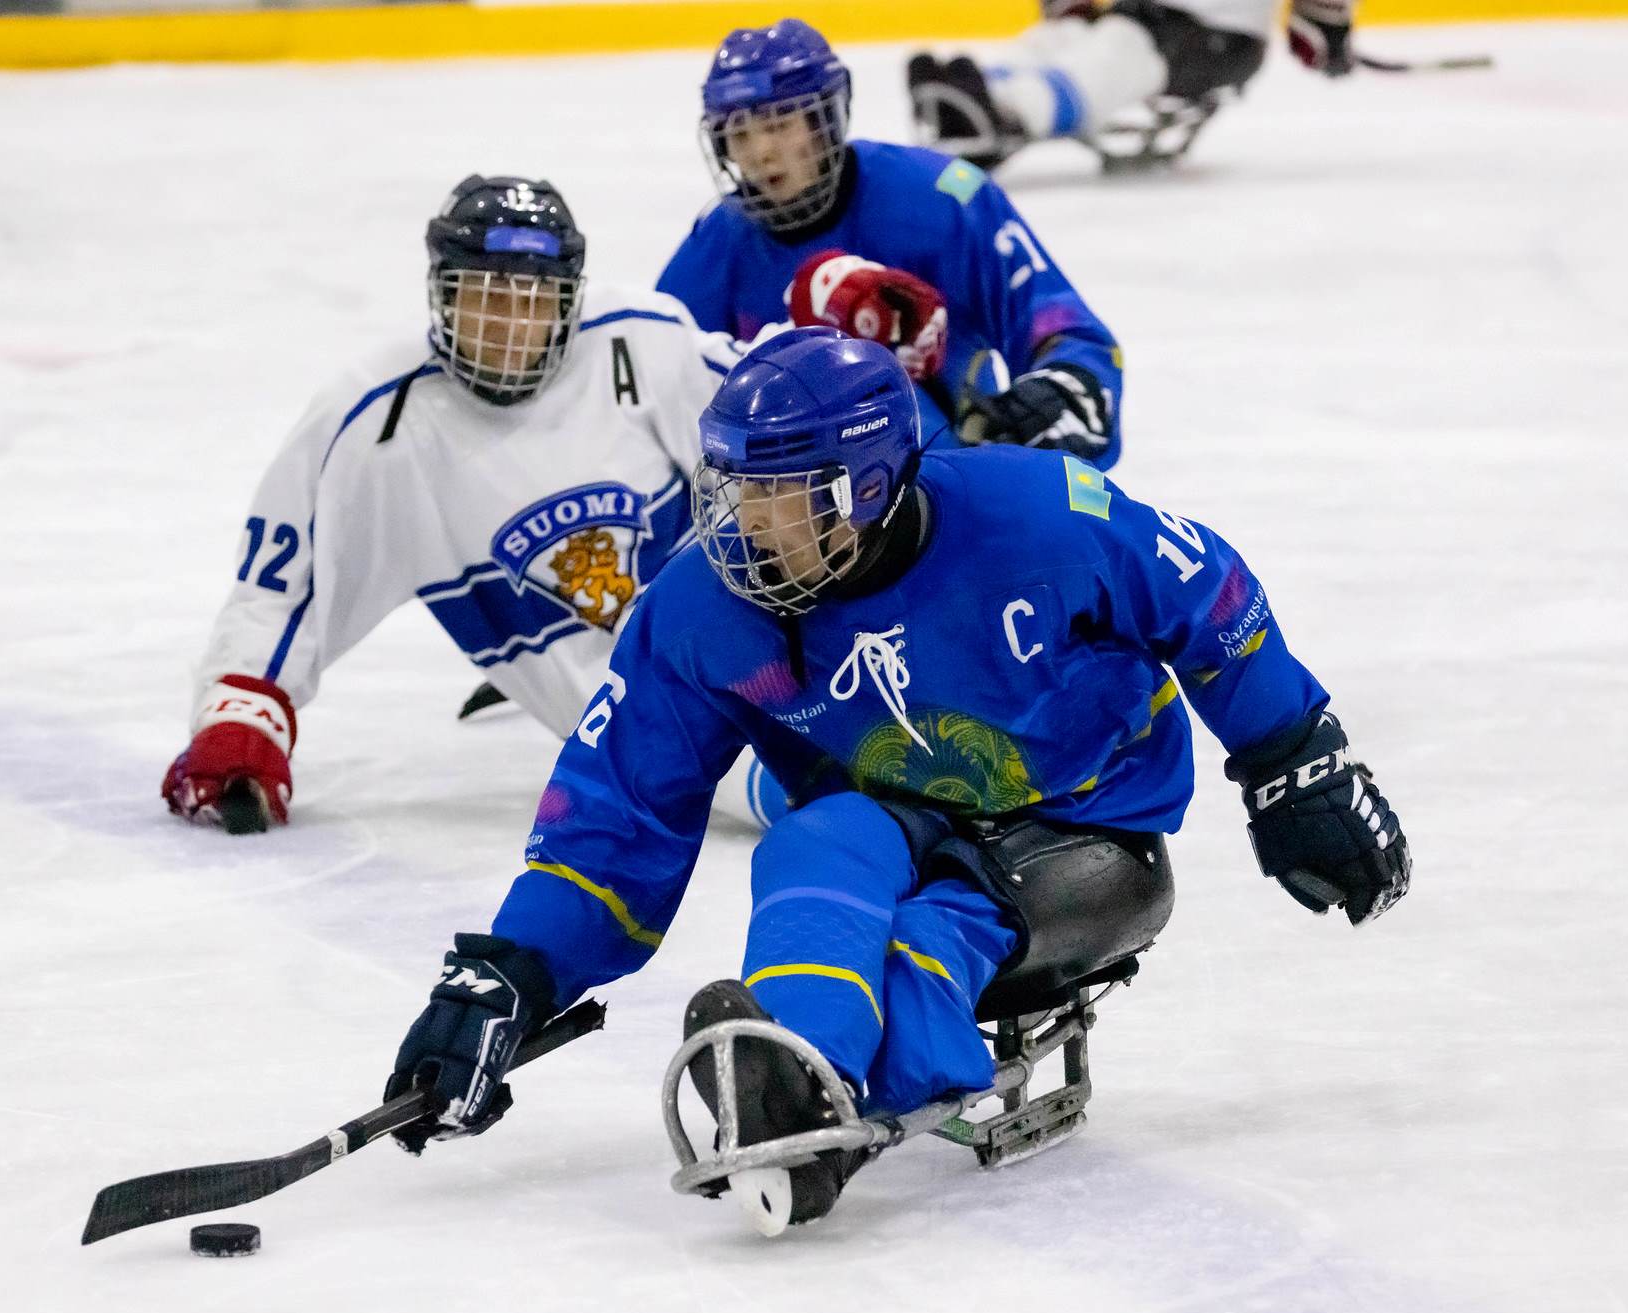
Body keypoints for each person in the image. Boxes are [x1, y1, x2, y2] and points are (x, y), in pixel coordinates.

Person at [382, 329, 1409, 1231]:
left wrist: (1293, 761)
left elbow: (1202, 582)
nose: (746, 522)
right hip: (887, 807)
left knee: (932, 934)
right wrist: (511, 971)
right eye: (734, 488)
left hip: (1083, 828)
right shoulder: (699, 611)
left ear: (868, 488)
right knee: (809, 840)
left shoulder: (1033, 515)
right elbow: (618, 806)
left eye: (780, 496)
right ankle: (786, 1066)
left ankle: (841, 1090)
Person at [162, 174, 945, 833]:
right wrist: (242, 707)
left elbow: (788, 425)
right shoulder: (376, 422)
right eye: (484, 298)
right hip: (644, 718)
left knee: (950, 709)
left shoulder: (638, 338)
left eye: (533, 299)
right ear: (440, 295)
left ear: (571, 297)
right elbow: (285, 580)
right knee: (860, 798)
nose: (509, 325)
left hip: (766, 621)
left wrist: (822, 326)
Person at [657, 18, 1125, 466]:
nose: (759, 152)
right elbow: (662, 393)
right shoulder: (712, 251)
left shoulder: (940, 202)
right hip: (796, 519)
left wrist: (1059, 392)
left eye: (779, 124)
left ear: (827, 120)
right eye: (738, 133)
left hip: (958, 487)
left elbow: (1064, 327)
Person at [908, 0, 1354, 173]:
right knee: (1063, 39)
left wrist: (1324, 23)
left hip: (1221, 36)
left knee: (1119, 49)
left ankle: (1007, 113)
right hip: (1139, 13)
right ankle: (979, 92)